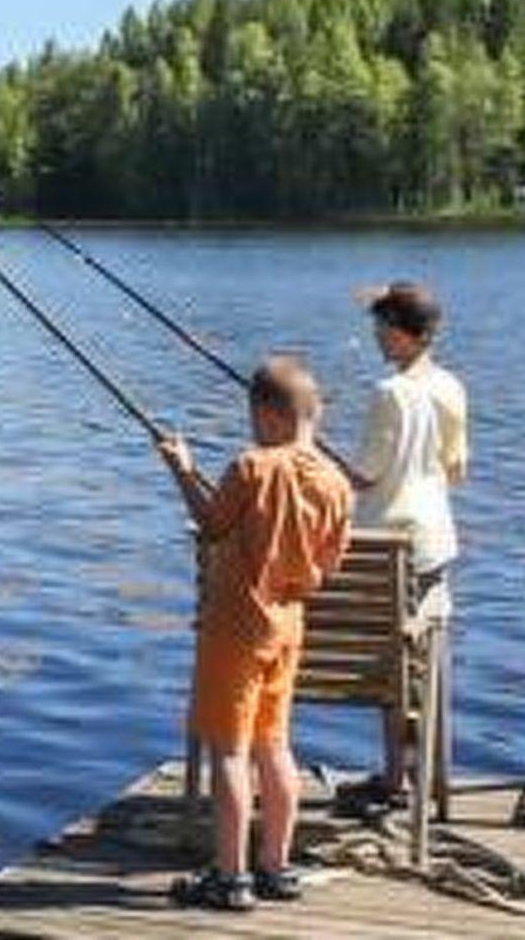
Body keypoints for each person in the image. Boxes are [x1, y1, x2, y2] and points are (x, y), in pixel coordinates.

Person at [157, 355, 353, 911]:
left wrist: (180, 466)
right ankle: (275, 865)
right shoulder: (338, 483)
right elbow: (329, 565)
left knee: (229, 750)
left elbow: (213, 527)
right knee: (275, 745)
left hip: (235, 627)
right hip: (288, 626)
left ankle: (230, 876)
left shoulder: (251, 466)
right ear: (312, 413)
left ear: (267, 415)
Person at [349, 279, 468, 796]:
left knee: (390, 663)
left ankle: (396, 775)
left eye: (381, 325)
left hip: (388, 543)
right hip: (436, 541)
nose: (376, 335)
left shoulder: (387, 393)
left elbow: (368, 473)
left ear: (401, 333)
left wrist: (334, 466)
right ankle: (426, 775)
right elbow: (456, 469)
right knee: (421, 659)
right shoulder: (452, 387)